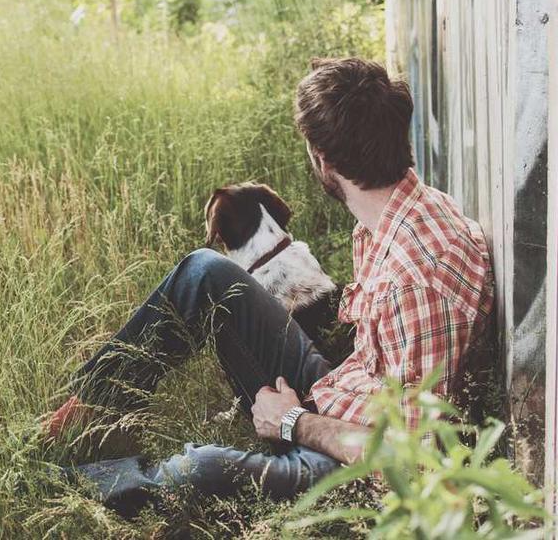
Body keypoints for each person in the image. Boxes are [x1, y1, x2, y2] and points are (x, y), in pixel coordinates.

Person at [44, 57, 495, 513]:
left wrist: (294, 422)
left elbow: (412, 460)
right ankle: (89, 407)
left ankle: (55, 486)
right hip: (353, 398)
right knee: (205, 271)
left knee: (201, 469)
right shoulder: (401, 213)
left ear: (322, 160)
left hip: (359, 467)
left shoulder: (413, 279)